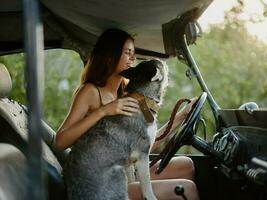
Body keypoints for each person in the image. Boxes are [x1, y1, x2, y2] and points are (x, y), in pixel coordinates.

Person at [55, 28, 199, 200]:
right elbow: (60, 142)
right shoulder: (90, 92)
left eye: (134, 53)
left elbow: (145, 143)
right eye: (127, 53)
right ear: (110, 56)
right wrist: (103, 111)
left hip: (130, 171)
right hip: (107, 182)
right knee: (187, 189)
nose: (133, 58)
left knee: (186, 165)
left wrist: (182, 116)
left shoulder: (131, 94)